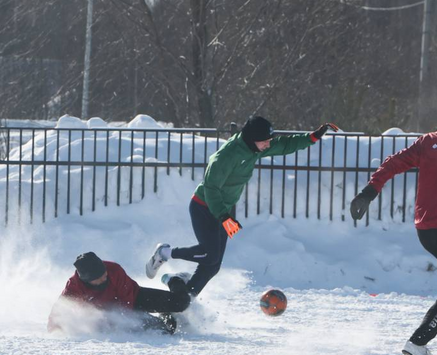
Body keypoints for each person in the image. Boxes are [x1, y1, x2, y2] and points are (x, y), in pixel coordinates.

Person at [350, 92, 437, 355]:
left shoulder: (429, 141)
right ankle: (418, 341)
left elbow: (392, 162)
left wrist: (370, 190)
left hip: (426, 229)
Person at [145, 116, 337, 296]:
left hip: (222, 211)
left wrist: (312, 137)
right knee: (208, 254)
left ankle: (187, 297)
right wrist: (224, 217)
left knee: (213, 265)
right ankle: (164, 253)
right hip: (204, 207)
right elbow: (211, 188)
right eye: (265, 141)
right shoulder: (227, 156)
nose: (268, 144)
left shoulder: (255, 148)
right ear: (253, 138)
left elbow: (283, 145)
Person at [48, 252, 190, 334]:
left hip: (135, 298)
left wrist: (125, 322)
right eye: (101, 277)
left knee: (181, 303)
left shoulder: (114, 270)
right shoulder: (74, 287)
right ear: (88, 280)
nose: (106, 277)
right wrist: (54, 331)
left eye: (104, 273)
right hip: (109, 316)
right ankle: (166, 315)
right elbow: (60, 310)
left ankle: (174, 280)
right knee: (165, 331)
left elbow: (127, 301)